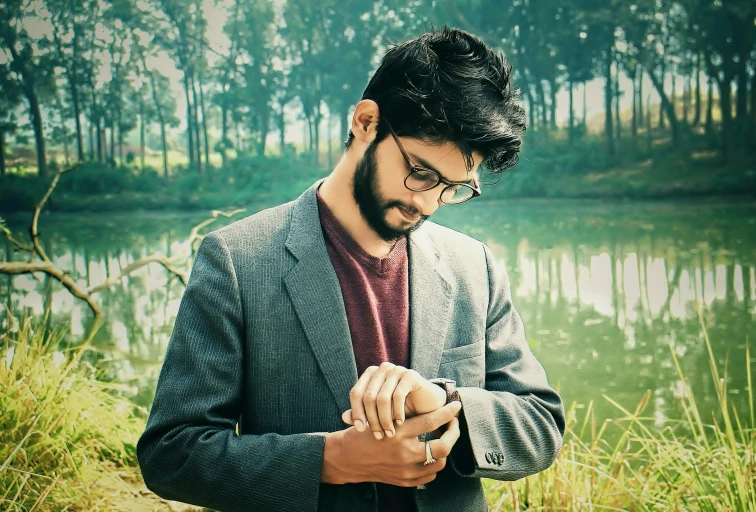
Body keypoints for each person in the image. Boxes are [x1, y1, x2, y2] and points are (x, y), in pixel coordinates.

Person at [137, 26, 565, 512]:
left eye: (454, 187)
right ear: (366, 122)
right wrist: (331, 459)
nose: (429, 202)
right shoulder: (237, 260)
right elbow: (172, 453)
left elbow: (541, 424)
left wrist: (446, 406)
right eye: (420, 171)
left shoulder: (474, 266)